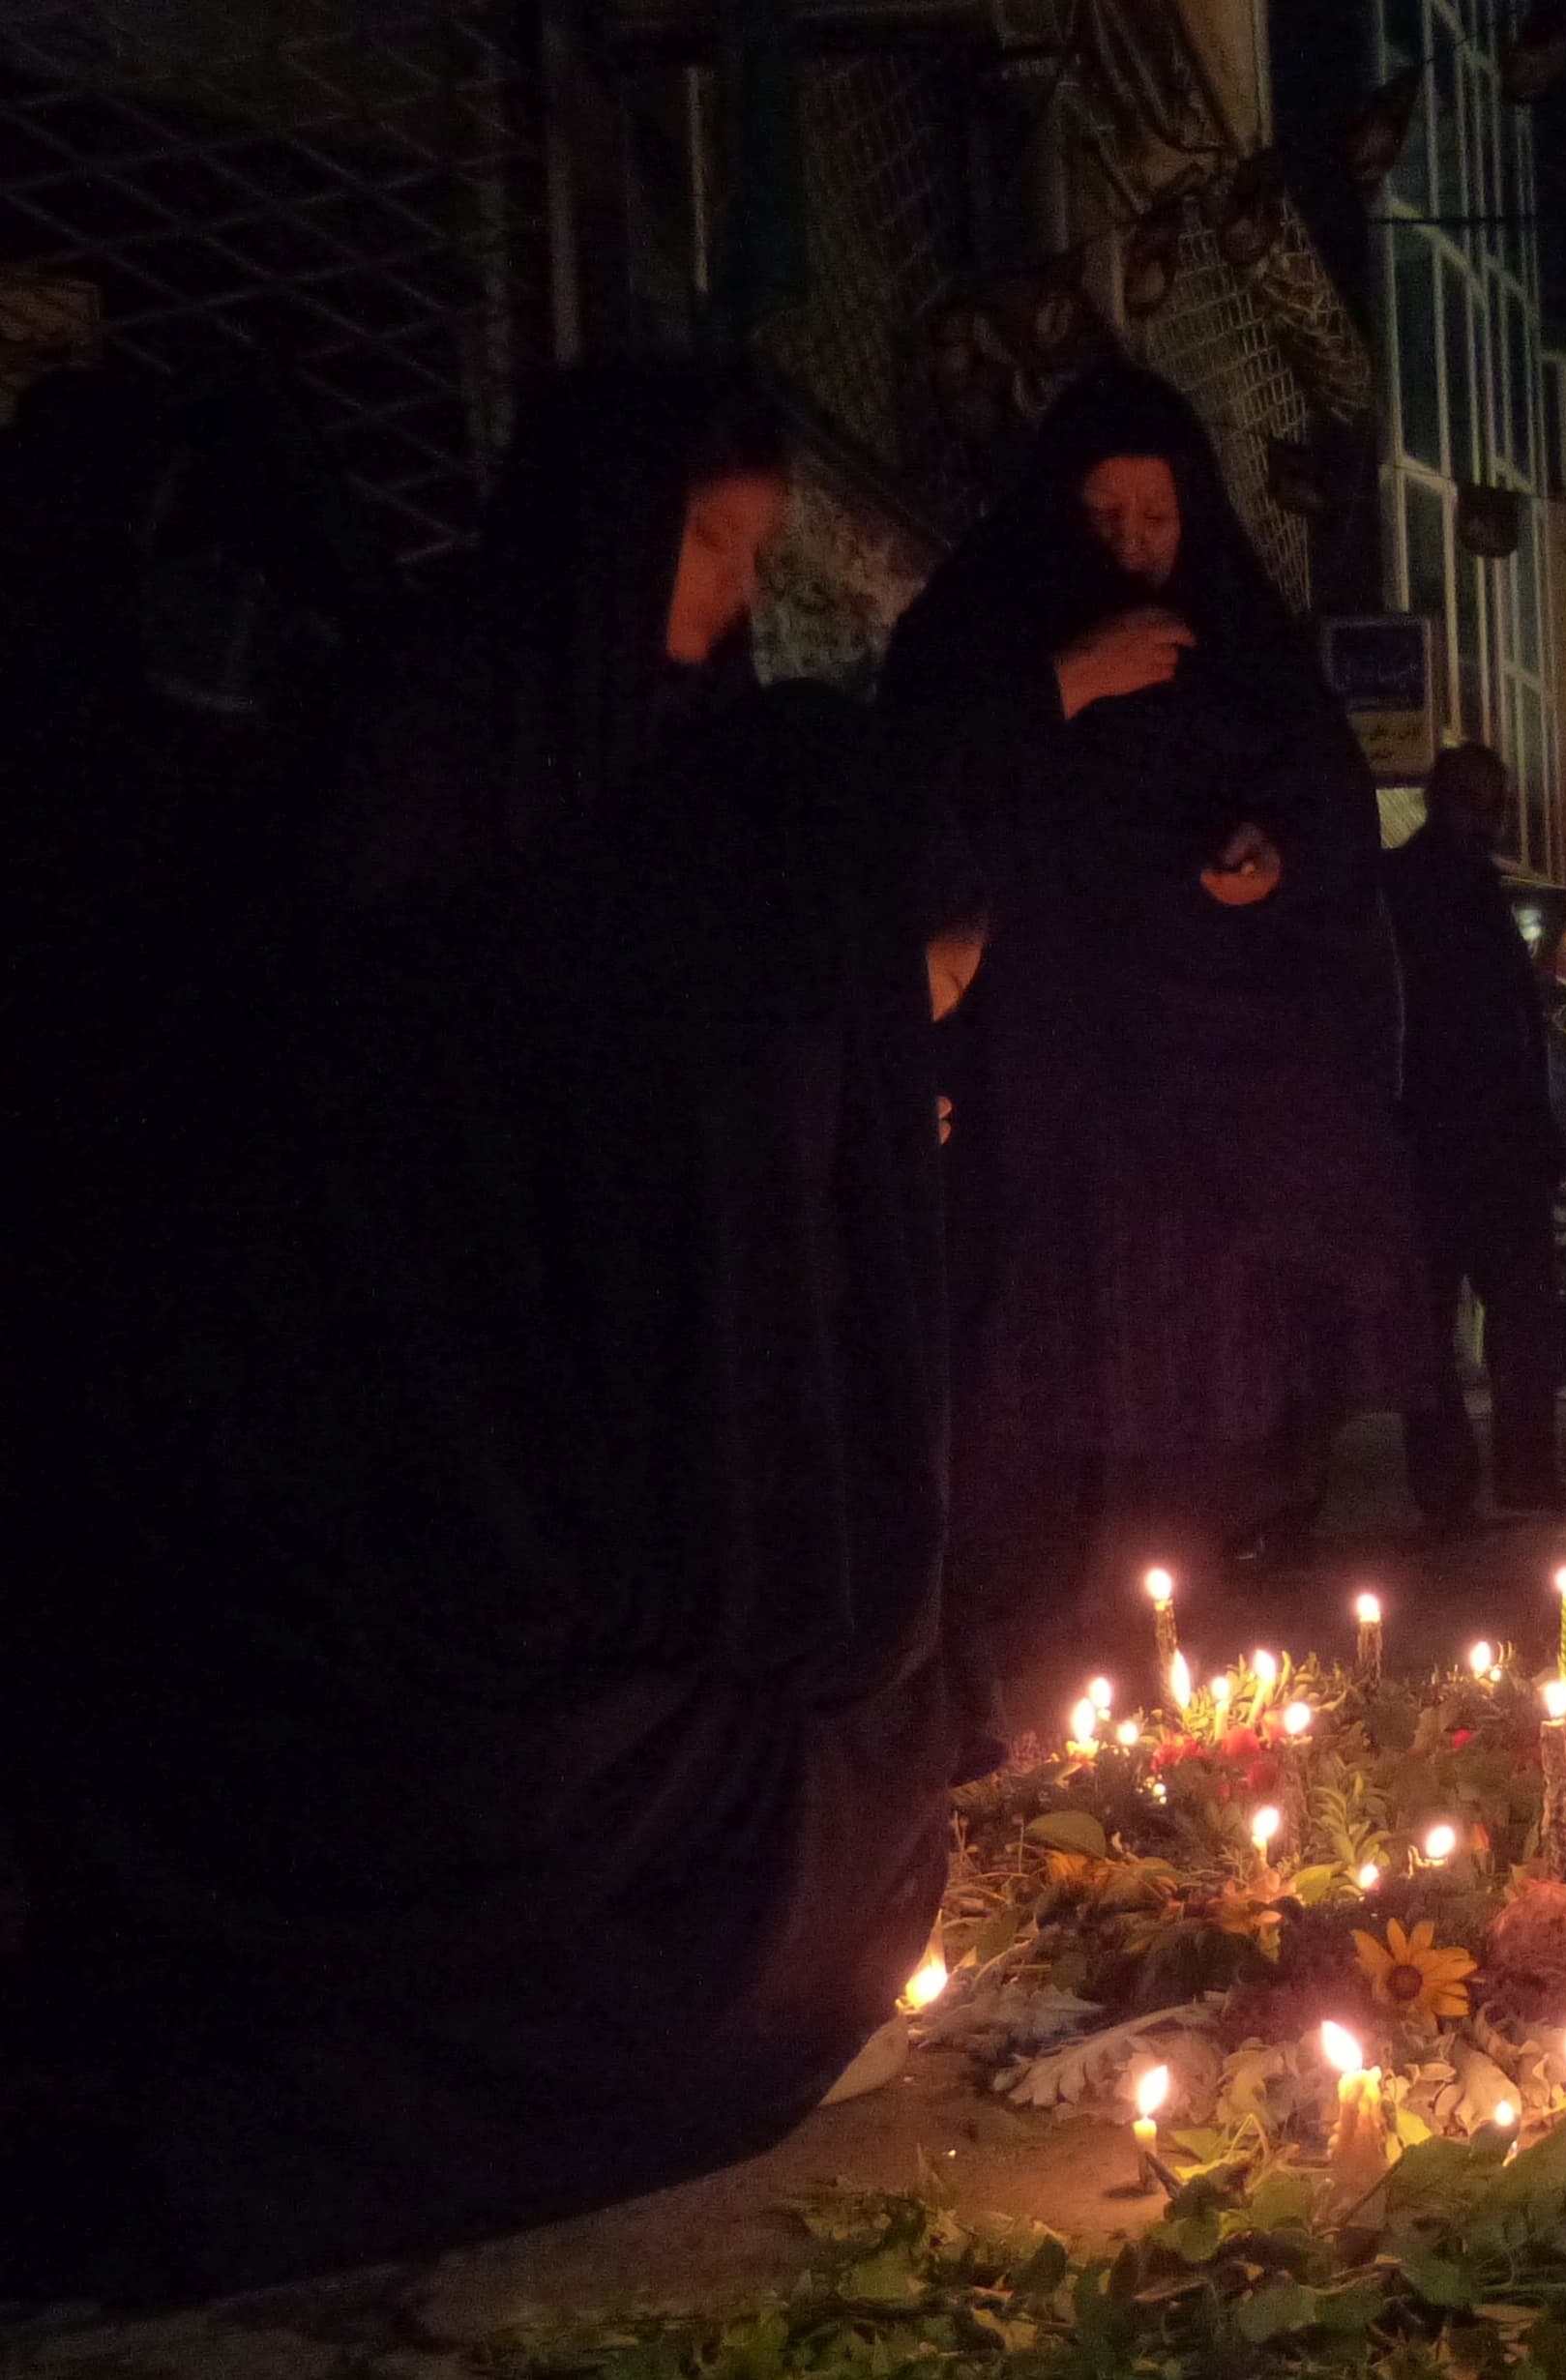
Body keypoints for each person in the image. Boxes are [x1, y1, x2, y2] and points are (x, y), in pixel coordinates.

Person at [1, 359, 968, 2297]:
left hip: (492, 1471)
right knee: (787, 1818)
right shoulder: (442, 779)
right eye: (712, 548)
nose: (732, 599)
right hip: (358, 1521)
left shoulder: (701, 813)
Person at [879, 365, 1423, 1700]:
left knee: (1203, 1385)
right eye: (1104, 516)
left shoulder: (1240, 641)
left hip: (1212, 1090)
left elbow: (1328, 813)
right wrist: (1057, 688)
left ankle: (1172, 1656)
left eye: (1157, 519)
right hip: (1045, 1075)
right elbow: (905, 792)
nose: (1132, 548)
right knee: (1041, 1378)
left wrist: (1269, 858)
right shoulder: (979, 631)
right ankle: (1026, 1671)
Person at [1385, 741, 1566, 1523]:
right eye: (1474, 799)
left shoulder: (1457, 885)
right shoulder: (1414, 885)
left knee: (1502, 1315)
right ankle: (1466, 1482)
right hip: (1441, 1135)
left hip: (1475, 1136)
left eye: (1491, 801)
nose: (1485, 816)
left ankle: (1485, 1479)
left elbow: (1512, 1026)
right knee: (1445, 1322)